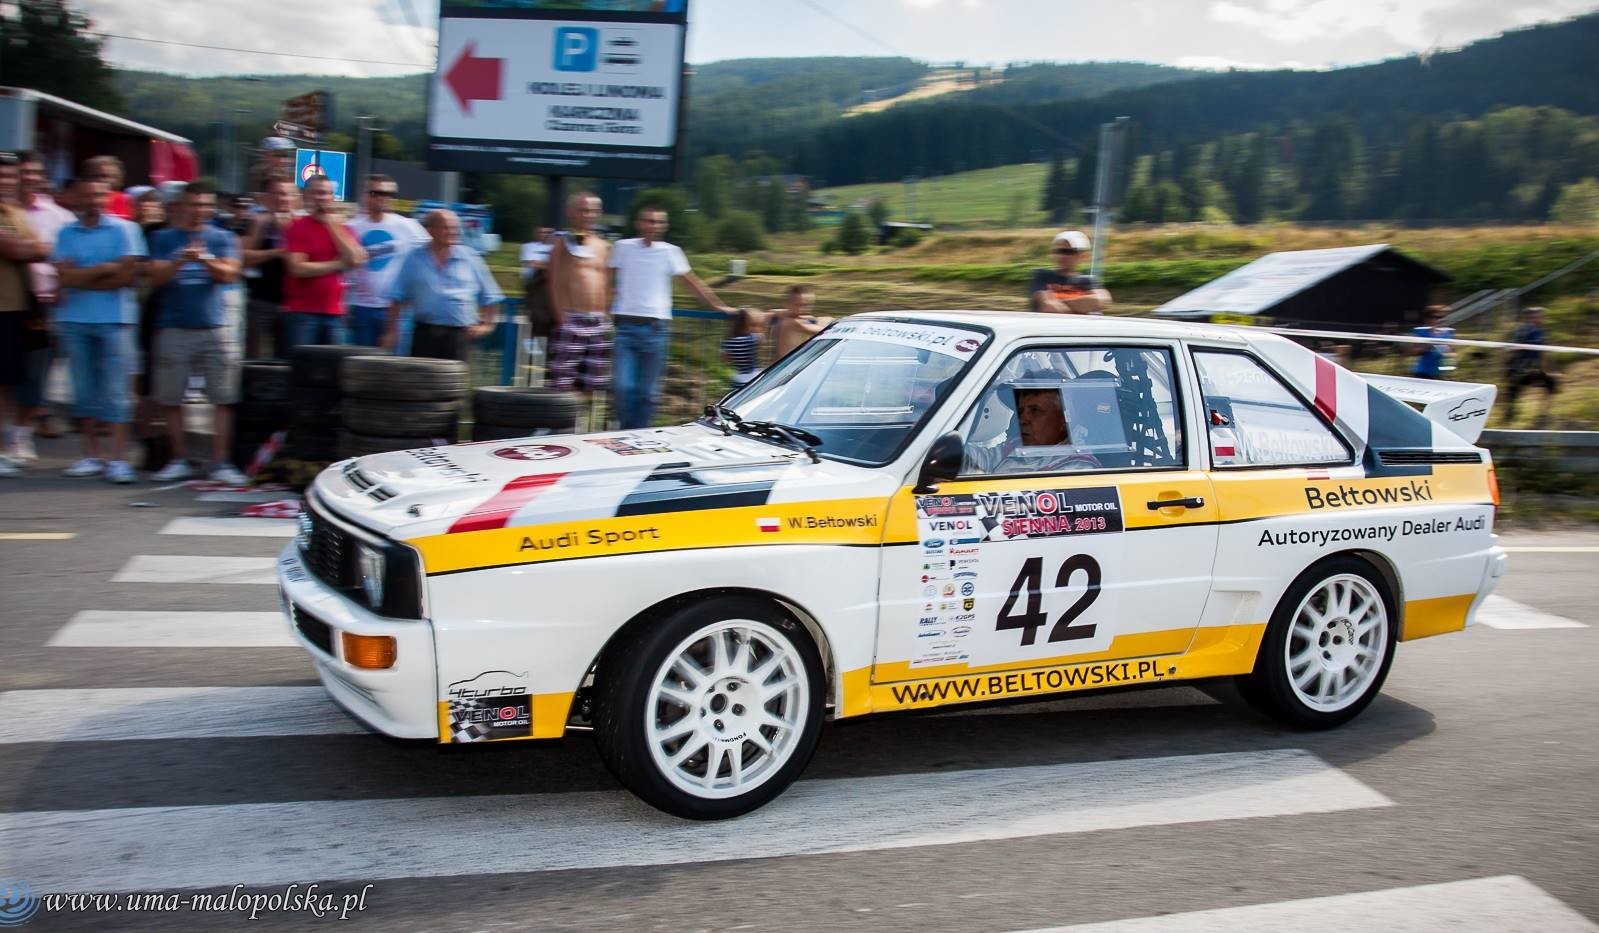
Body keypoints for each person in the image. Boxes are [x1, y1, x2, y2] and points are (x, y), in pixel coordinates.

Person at [144, 182, 247, 484]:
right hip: (173, 326)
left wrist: (204, 258)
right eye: (194, 204)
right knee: (171, 398)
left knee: (223, 397)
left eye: (205, 205)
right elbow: (155, 277)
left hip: (215, 325)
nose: (199, 210)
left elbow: (230, 274)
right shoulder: (163, 238)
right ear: (181, 205)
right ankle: (179, 459)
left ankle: (221, 462)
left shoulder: (223, 237)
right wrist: (180, 260)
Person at [51, 178, 147, 482]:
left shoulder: (125, 229)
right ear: (77, 197)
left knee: (117, 391)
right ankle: (91, 456)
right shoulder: (65, 232)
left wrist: (81, 276)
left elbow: (127, 276)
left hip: (116, 320)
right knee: (83, 390)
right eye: (88, 195)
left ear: (107, 197)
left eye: (99, 195)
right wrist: (105, 269)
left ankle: (118, 459)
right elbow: (63, 279)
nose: (93, 200)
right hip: (75, 320)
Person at [608, 205, 734, 429]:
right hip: (626, 327)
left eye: (658, 222)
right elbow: (606, 280)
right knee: (623, 387)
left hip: (656, 329)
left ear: (664, 226)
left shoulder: (671, 252)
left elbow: (691, 283)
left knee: (648, 392)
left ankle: (637, 435)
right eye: (648, 220)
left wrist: (718, 306)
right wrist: (604, 307)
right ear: (638, 223)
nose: (653, 226)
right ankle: (626, 431)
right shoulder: (623, 247)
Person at [384, 209, 503, 364]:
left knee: (456, 379)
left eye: (455, 227)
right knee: (421, 378)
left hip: (460, 337)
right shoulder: (414, 258)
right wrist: (391, 331)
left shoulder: (470, 258)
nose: (452, 232)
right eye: (446, 227)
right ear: (430, 230)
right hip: (425, 335)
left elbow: (491, 296)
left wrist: (487, 326)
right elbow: (397, 296)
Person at [16, 151, 76, 458]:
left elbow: (73, 260)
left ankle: (22, 435)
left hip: (45, 304)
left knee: (35, 372)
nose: (30, 178)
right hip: (7, 302)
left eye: (35, 173)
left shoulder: (60, 217)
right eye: (23, 172)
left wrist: (61, 286)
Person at [0, 152, 50, 477]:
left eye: (10, 176)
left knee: (8, 384)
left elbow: (41, 249)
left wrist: (32, 248)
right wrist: (33, 247)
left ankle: (6, 448)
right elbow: (20, 249)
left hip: (16, 309)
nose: (6, 182)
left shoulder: (16, 212)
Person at [546, 191, 612, 421]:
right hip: (571, 318)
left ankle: (575, 424)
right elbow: (554, 281)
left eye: (592, 211)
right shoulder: (562, 242)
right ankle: (557, 424)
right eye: (583, 210)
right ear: (570, 212)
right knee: (562, 380)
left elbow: (607, 281)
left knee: (591, 382)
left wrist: (608, 314)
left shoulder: (603, 245)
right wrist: (560, 315)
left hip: (598, 321)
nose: (588, 215)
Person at [281, 175, 366, 352]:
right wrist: (337, 265)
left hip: (334, 313)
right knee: (303, 363)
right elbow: (297, 268)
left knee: (333, 366)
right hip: (303, 312)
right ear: (307, 195)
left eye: (327, 193)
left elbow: (356, 259)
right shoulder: (298, 227)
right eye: (317, 193)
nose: (322, 198)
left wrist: (332, 226)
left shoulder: (344, 229)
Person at [347, 174, 427, 349]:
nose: (382, 198)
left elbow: (428, 258)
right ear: (365, 195)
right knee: (361, 361)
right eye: (376, 193)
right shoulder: (352, 226)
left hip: (396, 310)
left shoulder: (408, 225)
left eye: (389, 194)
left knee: (395, 363)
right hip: (361, 307)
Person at [964, 384, 1100, 475]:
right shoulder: (1015, 447)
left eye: (1035, 411)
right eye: (1021, 410)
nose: (1022, 419)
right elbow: (980, 461)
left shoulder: (1078, 467)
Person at [242, 174, 297, 358]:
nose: (282, 198)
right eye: (277, 193)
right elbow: (244, 258)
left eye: (286, 194)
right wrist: (274, 252)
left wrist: (287, 232)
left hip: (293, 303)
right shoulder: (259, 222)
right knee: (254, 359)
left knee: (287, 360)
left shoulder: (301, 224)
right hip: (261, 300)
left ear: (295, 198)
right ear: (266, 197)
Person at [1030, 230, 1111, 314]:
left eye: (1069, 252)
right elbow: (1047, 306)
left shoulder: (1088, 280)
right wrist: (1082, 305)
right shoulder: (1043, 275)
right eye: (1059, 251)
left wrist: (1058, 303)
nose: (1062, 256)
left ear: (1082, 256)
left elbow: (1100, 300)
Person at [1504, 305, 1558, 424]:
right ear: (1530, 317)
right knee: (1513, 393)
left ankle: (1542, 415)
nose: (1541, 318)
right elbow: (1513, 347)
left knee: (1551, 383)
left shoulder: (1540, 331)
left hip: (1531, 368)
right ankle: (1509, 416)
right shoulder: (1524, 329)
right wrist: (1521, 366)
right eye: (1538, 316)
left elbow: (1542, 349)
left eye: (1541, 316)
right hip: (1519, 369)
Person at [521, 226, 556, 376]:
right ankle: (532, 369)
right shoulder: (529, 247)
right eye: (542, 232)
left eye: (548, 232)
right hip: (536, 296)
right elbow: (531, 265)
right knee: (535, 333)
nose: (545, 235)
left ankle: (548, 369)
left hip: (551, 299)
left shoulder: (558, 247)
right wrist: (550, 266)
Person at [770, 284, 831, 358]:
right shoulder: (792, 323)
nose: (801, 309)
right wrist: (822, 320)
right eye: (797, 305)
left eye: (806, 305)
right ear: (786, 304)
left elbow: (774, 311)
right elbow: (822, 331)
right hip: (787, 364)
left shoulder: (786, 317)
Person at [723, 307, 769, 390]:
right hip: (754, 377)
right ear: (748, 325)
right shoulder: (753, 338)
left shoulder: (729, 342)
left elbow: (725, 358)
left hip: (739, 379)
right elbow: (763, 337)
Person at [1411, 305, 1456, 379]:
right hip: (1423, 372)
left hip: (1441, 373)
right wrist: (1428, 346)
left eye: (1442, 317)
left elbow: (1452, 353)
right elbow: (1413, 352)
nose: (1439, 320)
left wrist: (1448, 352)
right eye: (1435, 317)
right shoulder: (1421, 331)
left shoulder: (1448, 332)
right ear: (1427, 318)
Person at [83, 156, 135, 220]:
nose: (100, 180)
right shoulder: (79, 201)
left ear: (117, 178)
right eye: (95, 176)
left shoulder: (127, 201)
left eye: (105, 176)